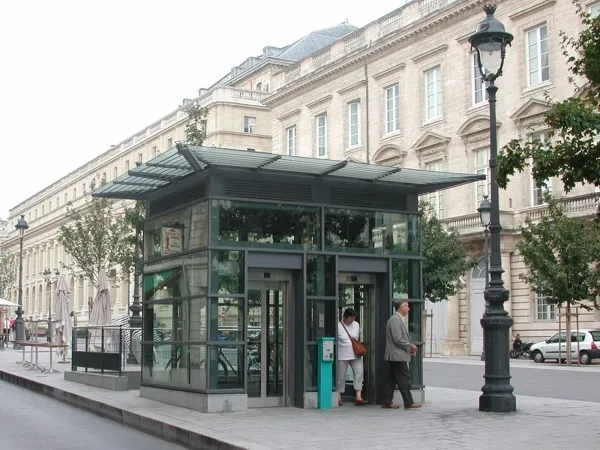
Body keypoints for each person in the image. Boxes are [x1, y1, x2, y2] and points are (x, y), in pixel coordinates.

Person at [382, 300, 422, 409]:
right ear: (401, 308)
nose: (409, 309)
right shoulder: (395, 320)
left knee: (392, 380)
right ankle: (408, 402)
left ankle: (387, 401)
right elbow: (398, 339)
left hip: (396, 355)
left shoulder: (397, 319)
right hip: (397, 356)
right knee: (405, 379)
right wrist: (410, 346)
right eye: (407, 306)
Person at [337, 308, 367, 406]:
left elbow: (356, 337)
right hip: (342, 354)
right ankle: (338, 396)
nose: (352, 321)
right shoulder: (338, 326)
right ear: (345, 317)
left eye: (353, 319)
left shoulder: (356, 324)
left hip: (355, 353)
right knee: (341, 376)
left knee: (359, 373)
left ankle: (358, 396)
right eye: (350, 319)